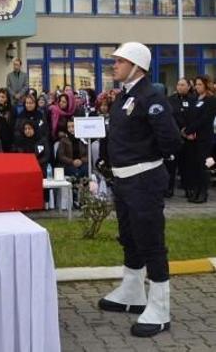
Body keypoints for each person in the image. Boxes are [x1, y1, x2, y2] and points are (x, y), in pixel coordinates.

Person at [97, 42, 181, 338]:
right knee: (130, 237)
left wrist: (148, 161)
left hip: (143, 180)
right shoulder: (125, 96)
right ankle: (132, 292)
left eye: (119, 61)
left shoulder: (150, 96)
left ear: (136, 66)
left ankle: (159, 307)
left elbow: (171, 140)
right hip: (124, 180)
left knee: (151, 243)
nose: (114, 65)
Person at [181, 75, 216, 203]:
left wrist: (189, 130)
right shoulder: (195, 99)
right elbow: (191, 116)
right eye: (196, 84)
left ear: (206, 85)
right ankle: (195, 191)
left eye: (200, 84)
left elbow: (204, 119)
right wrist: (187, 130)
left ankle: (203, 192)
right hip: (193, 138)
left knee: (203, 165)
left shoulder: (211, 100)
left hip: (204, 138)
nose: (197, 86)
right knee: (194, 166)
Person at [166, 79, 193, 198]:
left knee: (186, 166)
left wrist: (188, 131)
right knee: (171, 166)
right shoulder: (170, 100)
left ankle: (188, 189)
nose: (180, 87)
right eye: (178, 85)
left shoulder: (193, 100)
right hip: (174, 138)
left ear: (188, 87)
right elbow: (168, 118)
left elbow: (195, 117)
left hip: (188, 137)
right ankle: (169, 189)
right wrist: (177, 131)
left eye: (183, 85)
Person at [0, 88, 15, 152]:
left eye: (3, 97)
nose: (0, 99)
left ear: (7, 98)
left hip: (9, 138)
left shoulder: (11, 110)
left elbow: (12, 124)